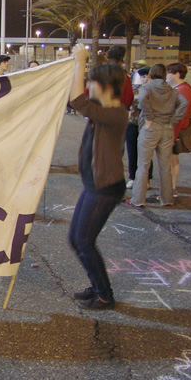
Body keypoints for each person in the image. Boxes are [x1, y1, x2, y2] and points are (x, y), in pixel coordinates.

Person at [68, 44, 128, 310]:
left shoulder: (115, 113)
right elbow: (74, 95)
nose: (88, 86)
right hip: (93, 185)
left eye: (92, 82)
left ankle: (105, 295)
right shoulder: (99, 107)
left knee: (83, 241)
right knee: (76, 239)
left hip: (105, 188)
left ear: (105, 86)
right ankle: (97, 285)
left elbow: (75, 100)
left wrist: (80, 59)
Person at [129, 64, 187, 207]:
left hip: (150, 128)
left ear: (151, 74)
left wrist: (148, 117)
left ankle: (138, 199)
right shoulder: (171, 90)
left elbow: (142, 99)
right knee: (165, 166)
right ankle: (167, 199)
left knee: (143, 165)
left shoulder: (147, 88)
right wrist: (173, 120)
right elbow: (184, 103)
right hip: (167, 128)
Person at [167, 62, 191, 196]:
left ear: (177, 74)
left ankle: (171, 188)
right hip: (176, 129)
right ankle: (170, 187)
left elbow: (180, 115)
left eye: (169, 72)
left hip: (177, 130)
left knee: (172, 160)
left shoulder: (183, 90)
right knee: (172, 160)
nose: (167, 75)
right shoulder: (182, 89)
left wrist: (173, 135)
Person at [124, 66, 153, 188]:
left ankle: (146, 179)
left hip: (147, 125)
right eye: (143, 76)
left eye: (147, 76)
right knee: (132, 151)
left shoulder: (154, 91)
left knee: (146, 154)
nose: (144, 78)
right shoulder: (136, 89)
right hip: (133, 123)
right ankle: (132, 177)